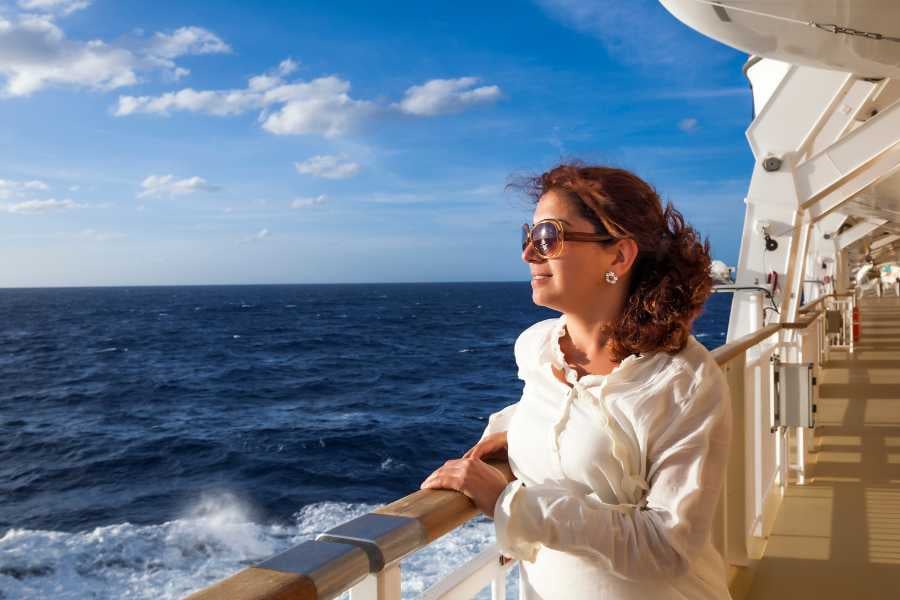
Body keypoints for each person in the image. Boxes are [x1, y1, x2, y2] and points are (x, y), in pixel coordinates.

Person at [420, 163, 733, 599]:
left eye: (548, 236)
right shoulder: (537, 349)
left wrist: (511, 505)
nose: (529, 253)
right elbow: (561, 408)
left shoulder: (682, 380)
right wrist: (508, 432)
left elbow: (667, 546)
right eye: (528, 237)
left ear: (619, 257)